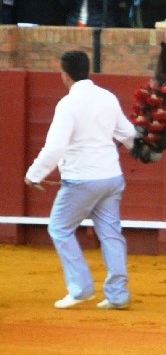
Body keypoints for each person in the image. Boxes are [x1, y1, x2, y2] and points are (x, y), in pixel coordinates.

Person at [24, 50, 137, 310]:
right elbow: (129, 135)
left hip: (81, 180)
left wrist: (34, 174)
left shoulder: (68, 104)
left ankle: (81, 288)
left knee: (59, 228)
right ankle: (118, 295)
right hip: (111, 176)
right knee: (110, 234)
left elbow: (54, 148)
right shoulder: (107, 97)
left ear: (65, 75)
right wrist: (140, 151)